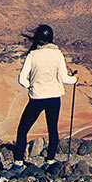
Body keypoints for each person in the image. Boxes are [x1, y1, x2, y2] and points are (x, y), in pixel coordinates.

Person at [13, 23, 79, 160]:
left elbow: (21, 79)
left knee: (23, 129)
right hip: (54, 98)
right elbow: (64, 78)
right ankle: (50, 161)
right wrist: (75, 79)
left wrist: (31, 87)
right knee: (52, 130)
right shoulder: (57, 54)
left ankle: (18, 162)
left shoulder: (33, 55)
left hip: (37, 97)